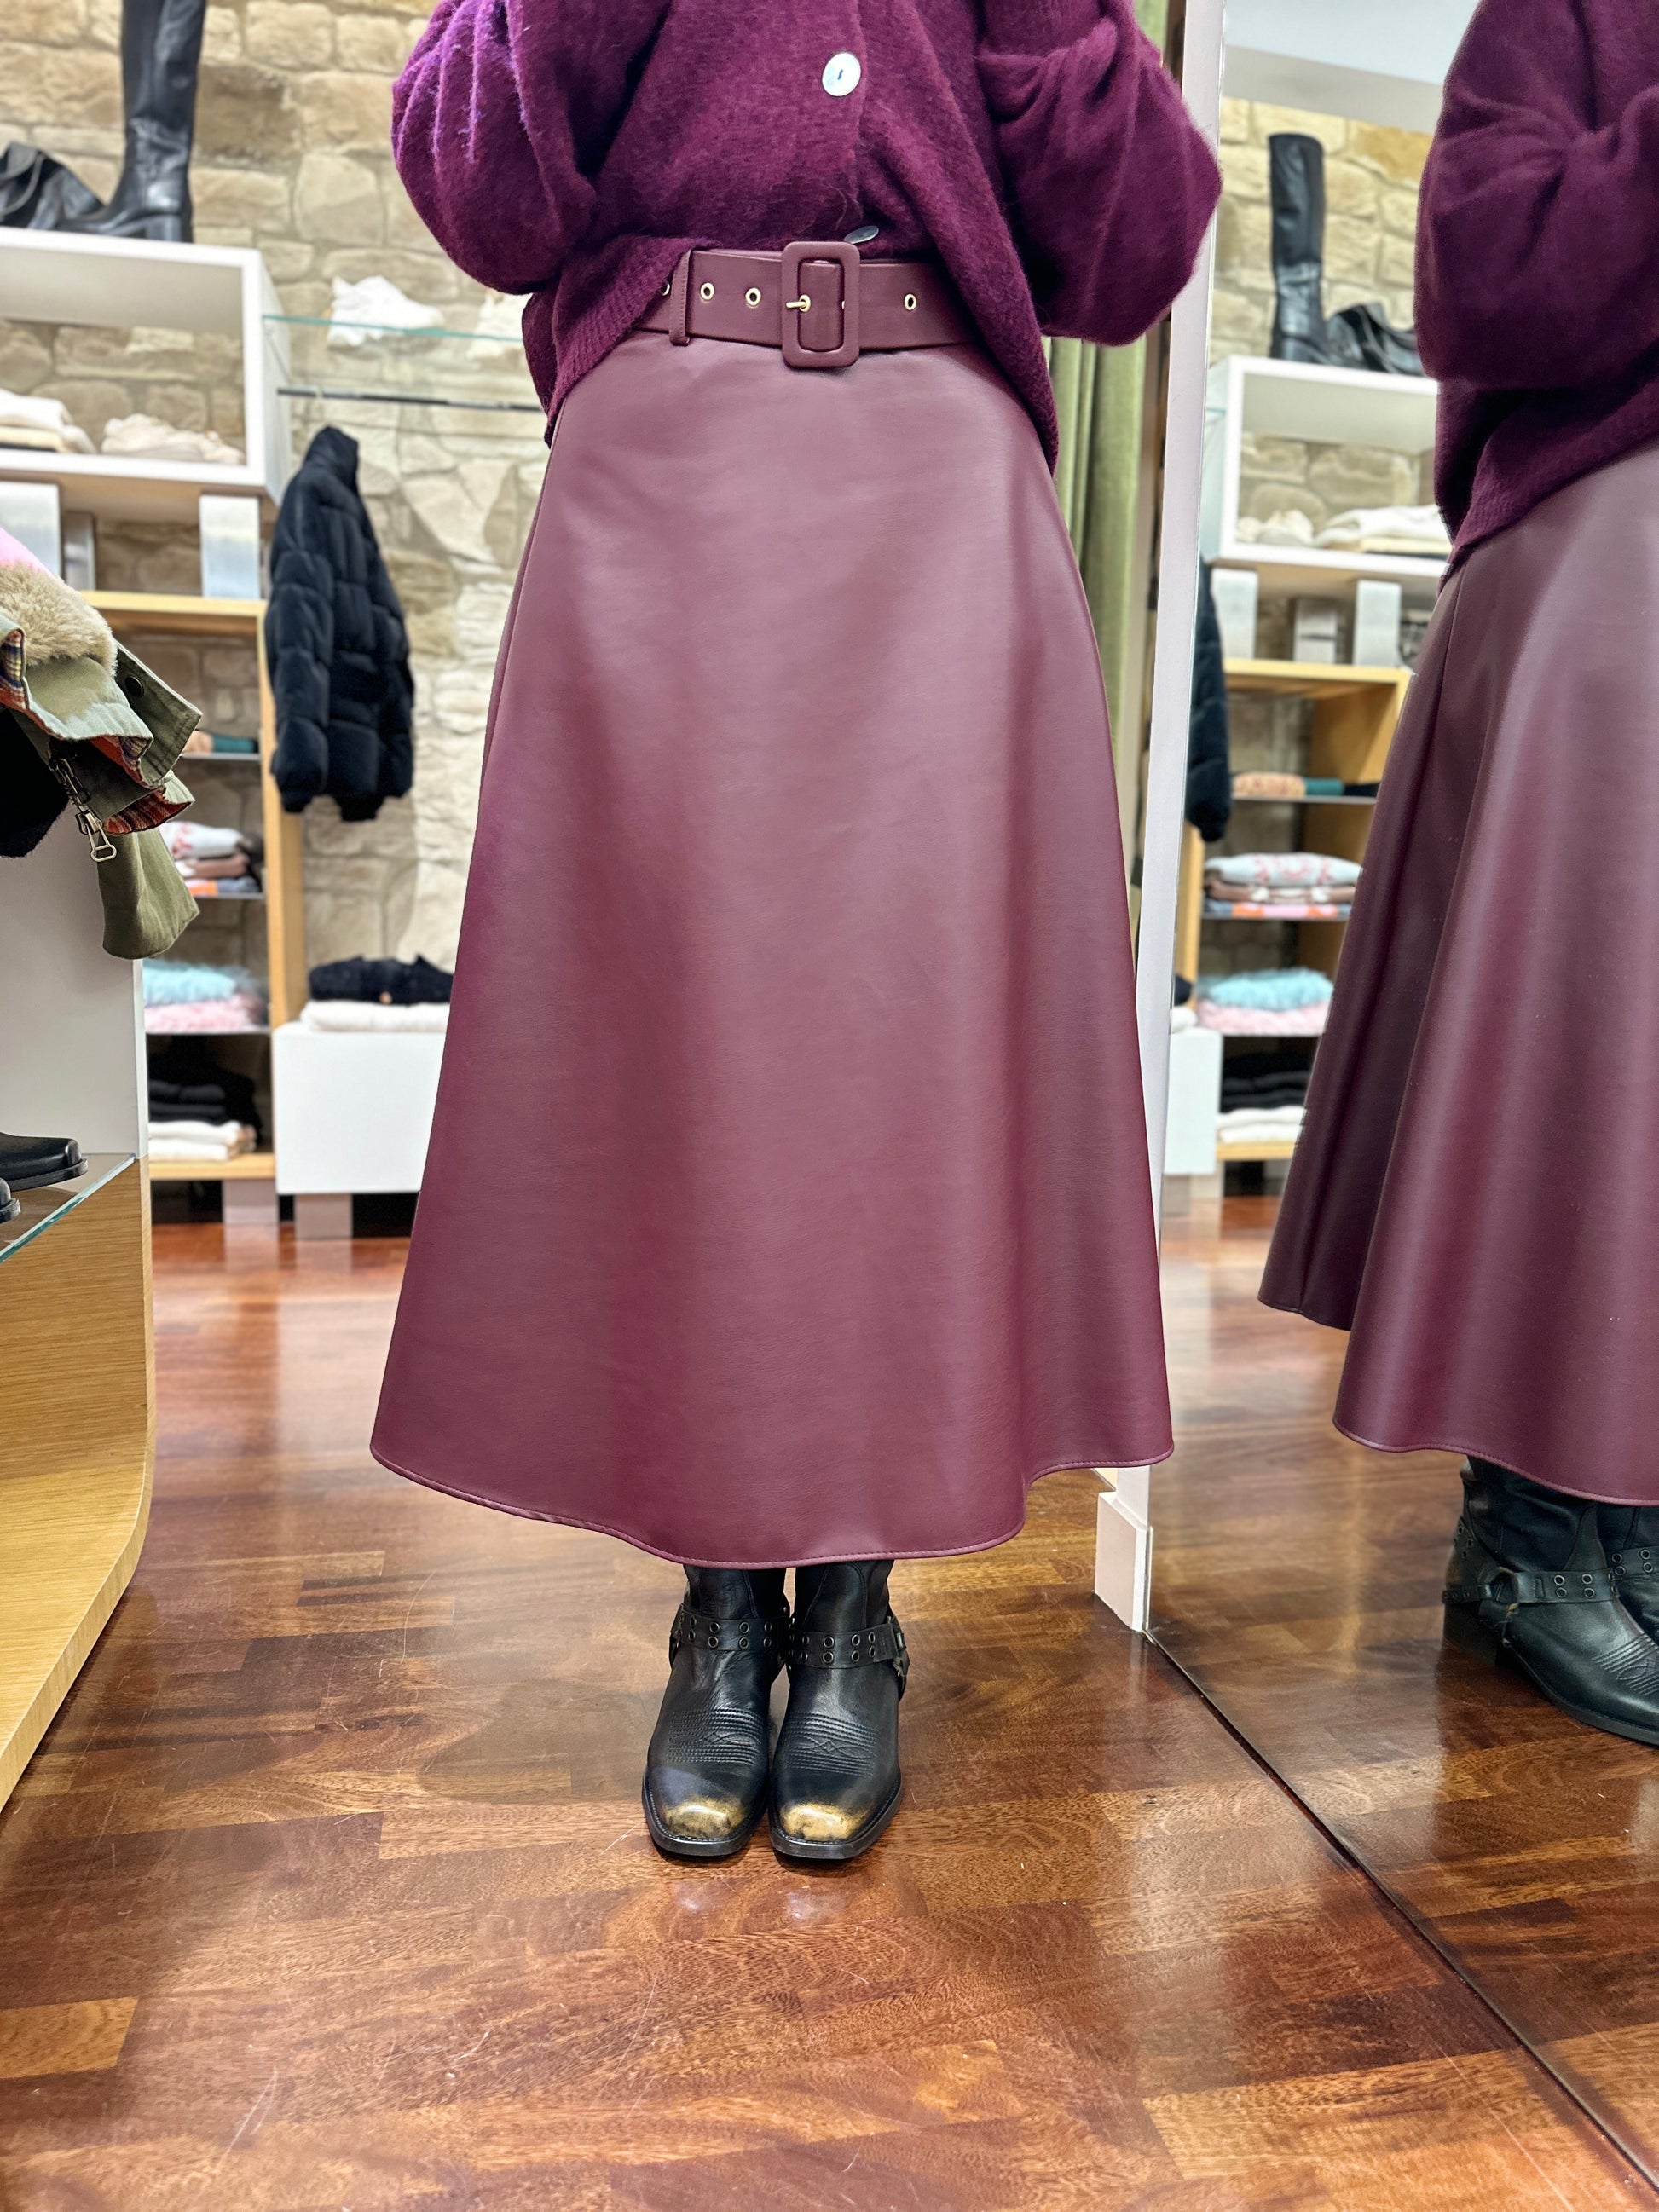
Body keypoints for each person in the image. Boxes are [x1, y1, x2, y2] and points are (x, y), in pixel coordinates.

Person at [375, 0, 1219, 1863]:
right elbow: (480, 192)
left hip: (940, 482)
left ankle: (849, 1611)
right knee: (691, 1051)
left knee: (897, 1058)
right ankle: (718, 1602)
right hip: (663, 472)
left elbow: (1135, 250)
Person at [1263, 0, 1659, 1744]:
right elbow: (1488, 290)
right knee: (1585, 1046)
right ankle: (1533, 1533)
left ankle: (1629, 1516)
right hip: (1615, 541)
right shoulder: (1573, 15)